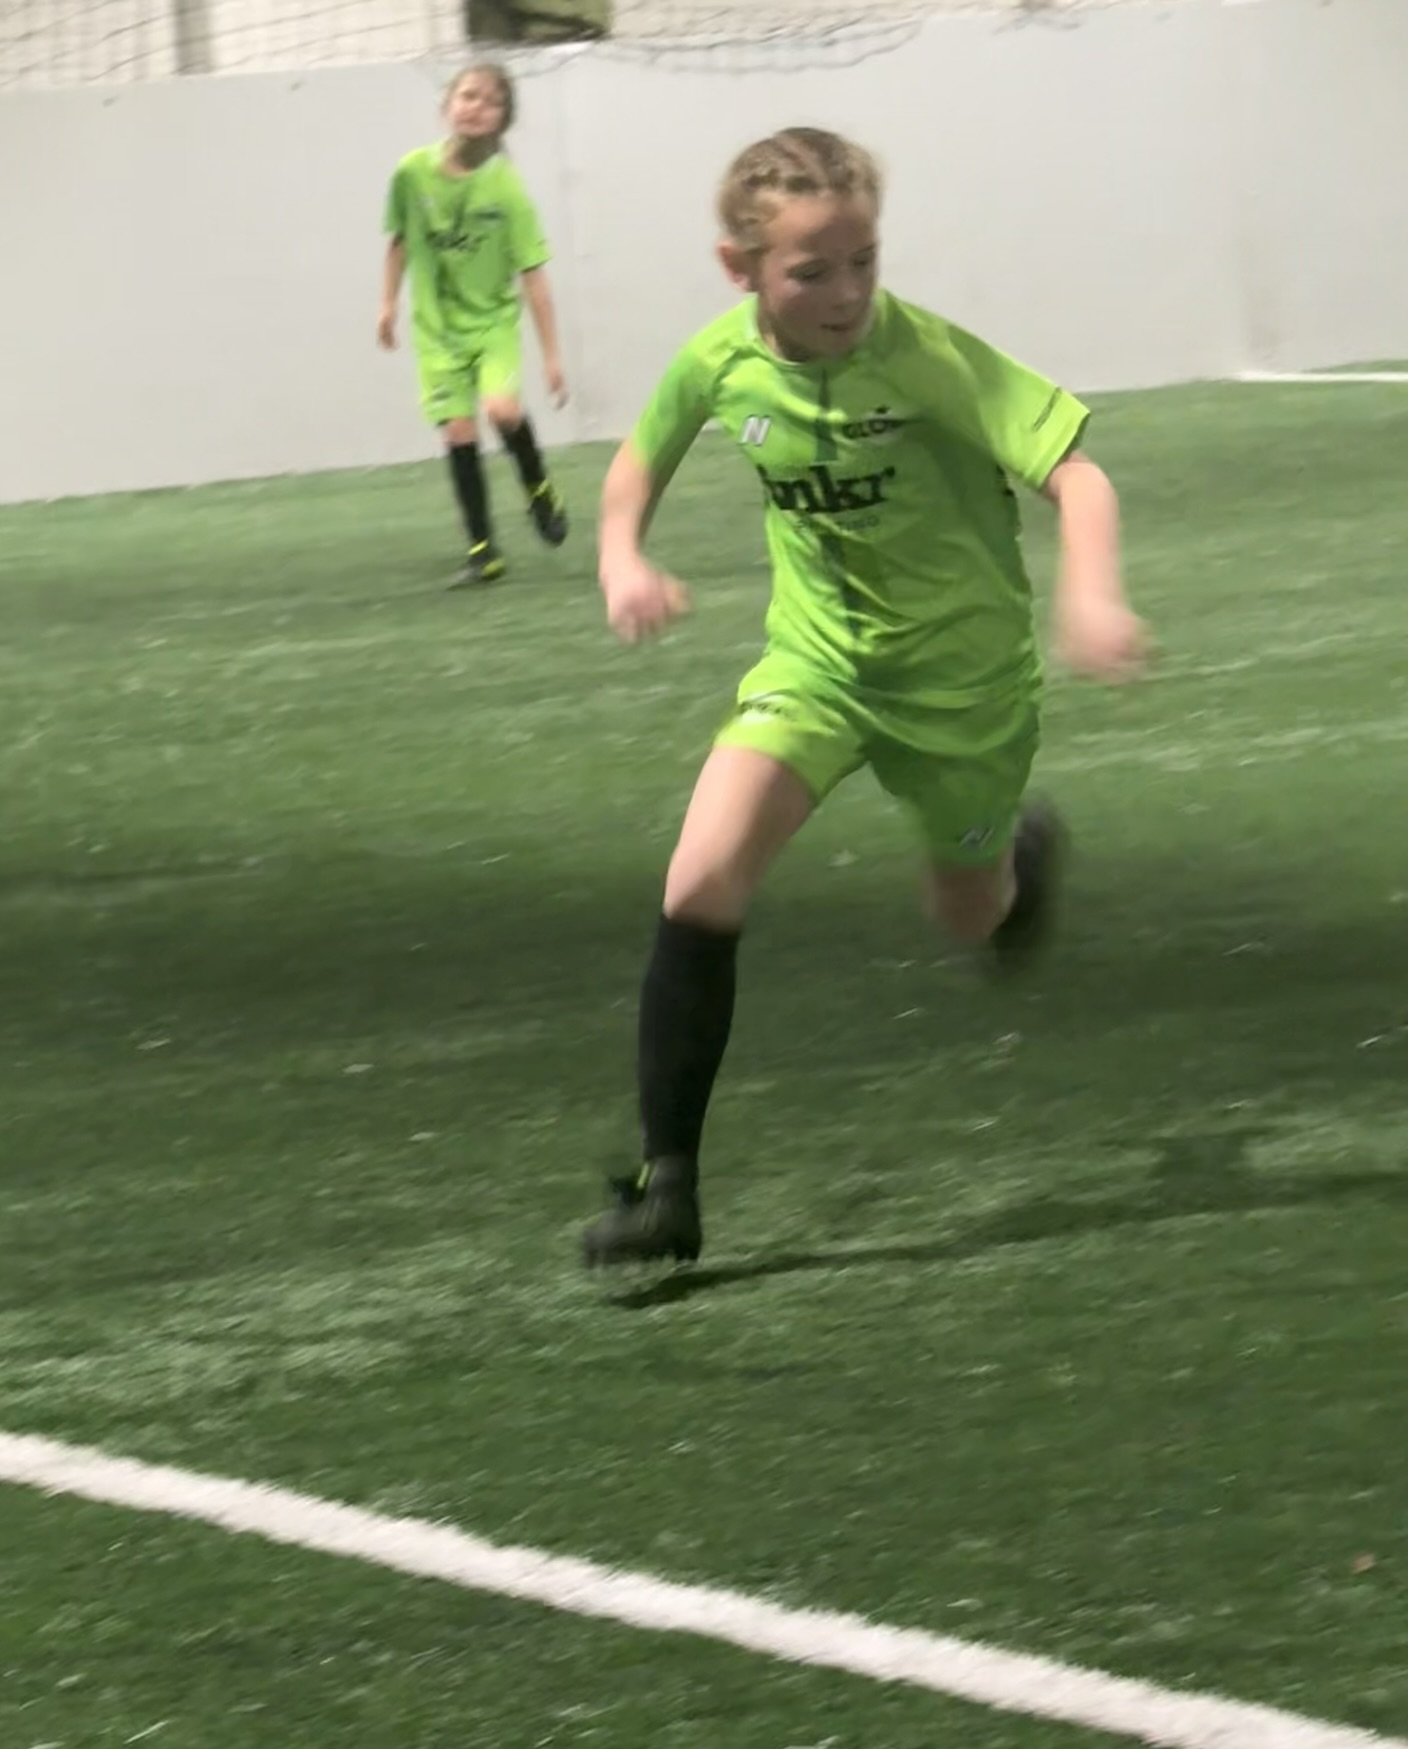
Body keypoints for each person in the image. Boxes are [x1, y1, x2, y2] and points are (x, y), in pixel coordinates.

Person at [582, 125, 1149, 1269]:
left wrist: (1091, 593)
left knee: (968, 914)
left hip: (964, 689)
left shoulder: (926, 357)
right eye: (812, 271)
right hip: (815, 671)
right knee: (699, 880)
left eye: (863, 262)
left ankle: (1017, 865)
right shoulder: (719, 362)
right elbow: (637, 463)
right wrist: (620, 556)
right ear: (740, 268)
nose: (846, 294)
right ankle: (666, 1185)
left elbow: (1078, 474)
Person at [378, 62, 569, 587]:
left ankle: (537, 486)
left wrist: (552, 356)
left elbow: (533, 275)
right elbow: (398, 239)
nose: (476, 107)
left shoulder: (507, 191)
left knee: (502, 410)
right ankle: (483, 550)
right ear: (447, 104)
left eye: (490, 101)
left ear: (503, 119)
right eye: (468, 95)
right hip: (437, 331)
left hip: (491, 325)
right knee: (459, 430)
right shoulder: (411, 173)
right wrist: (387, 304)